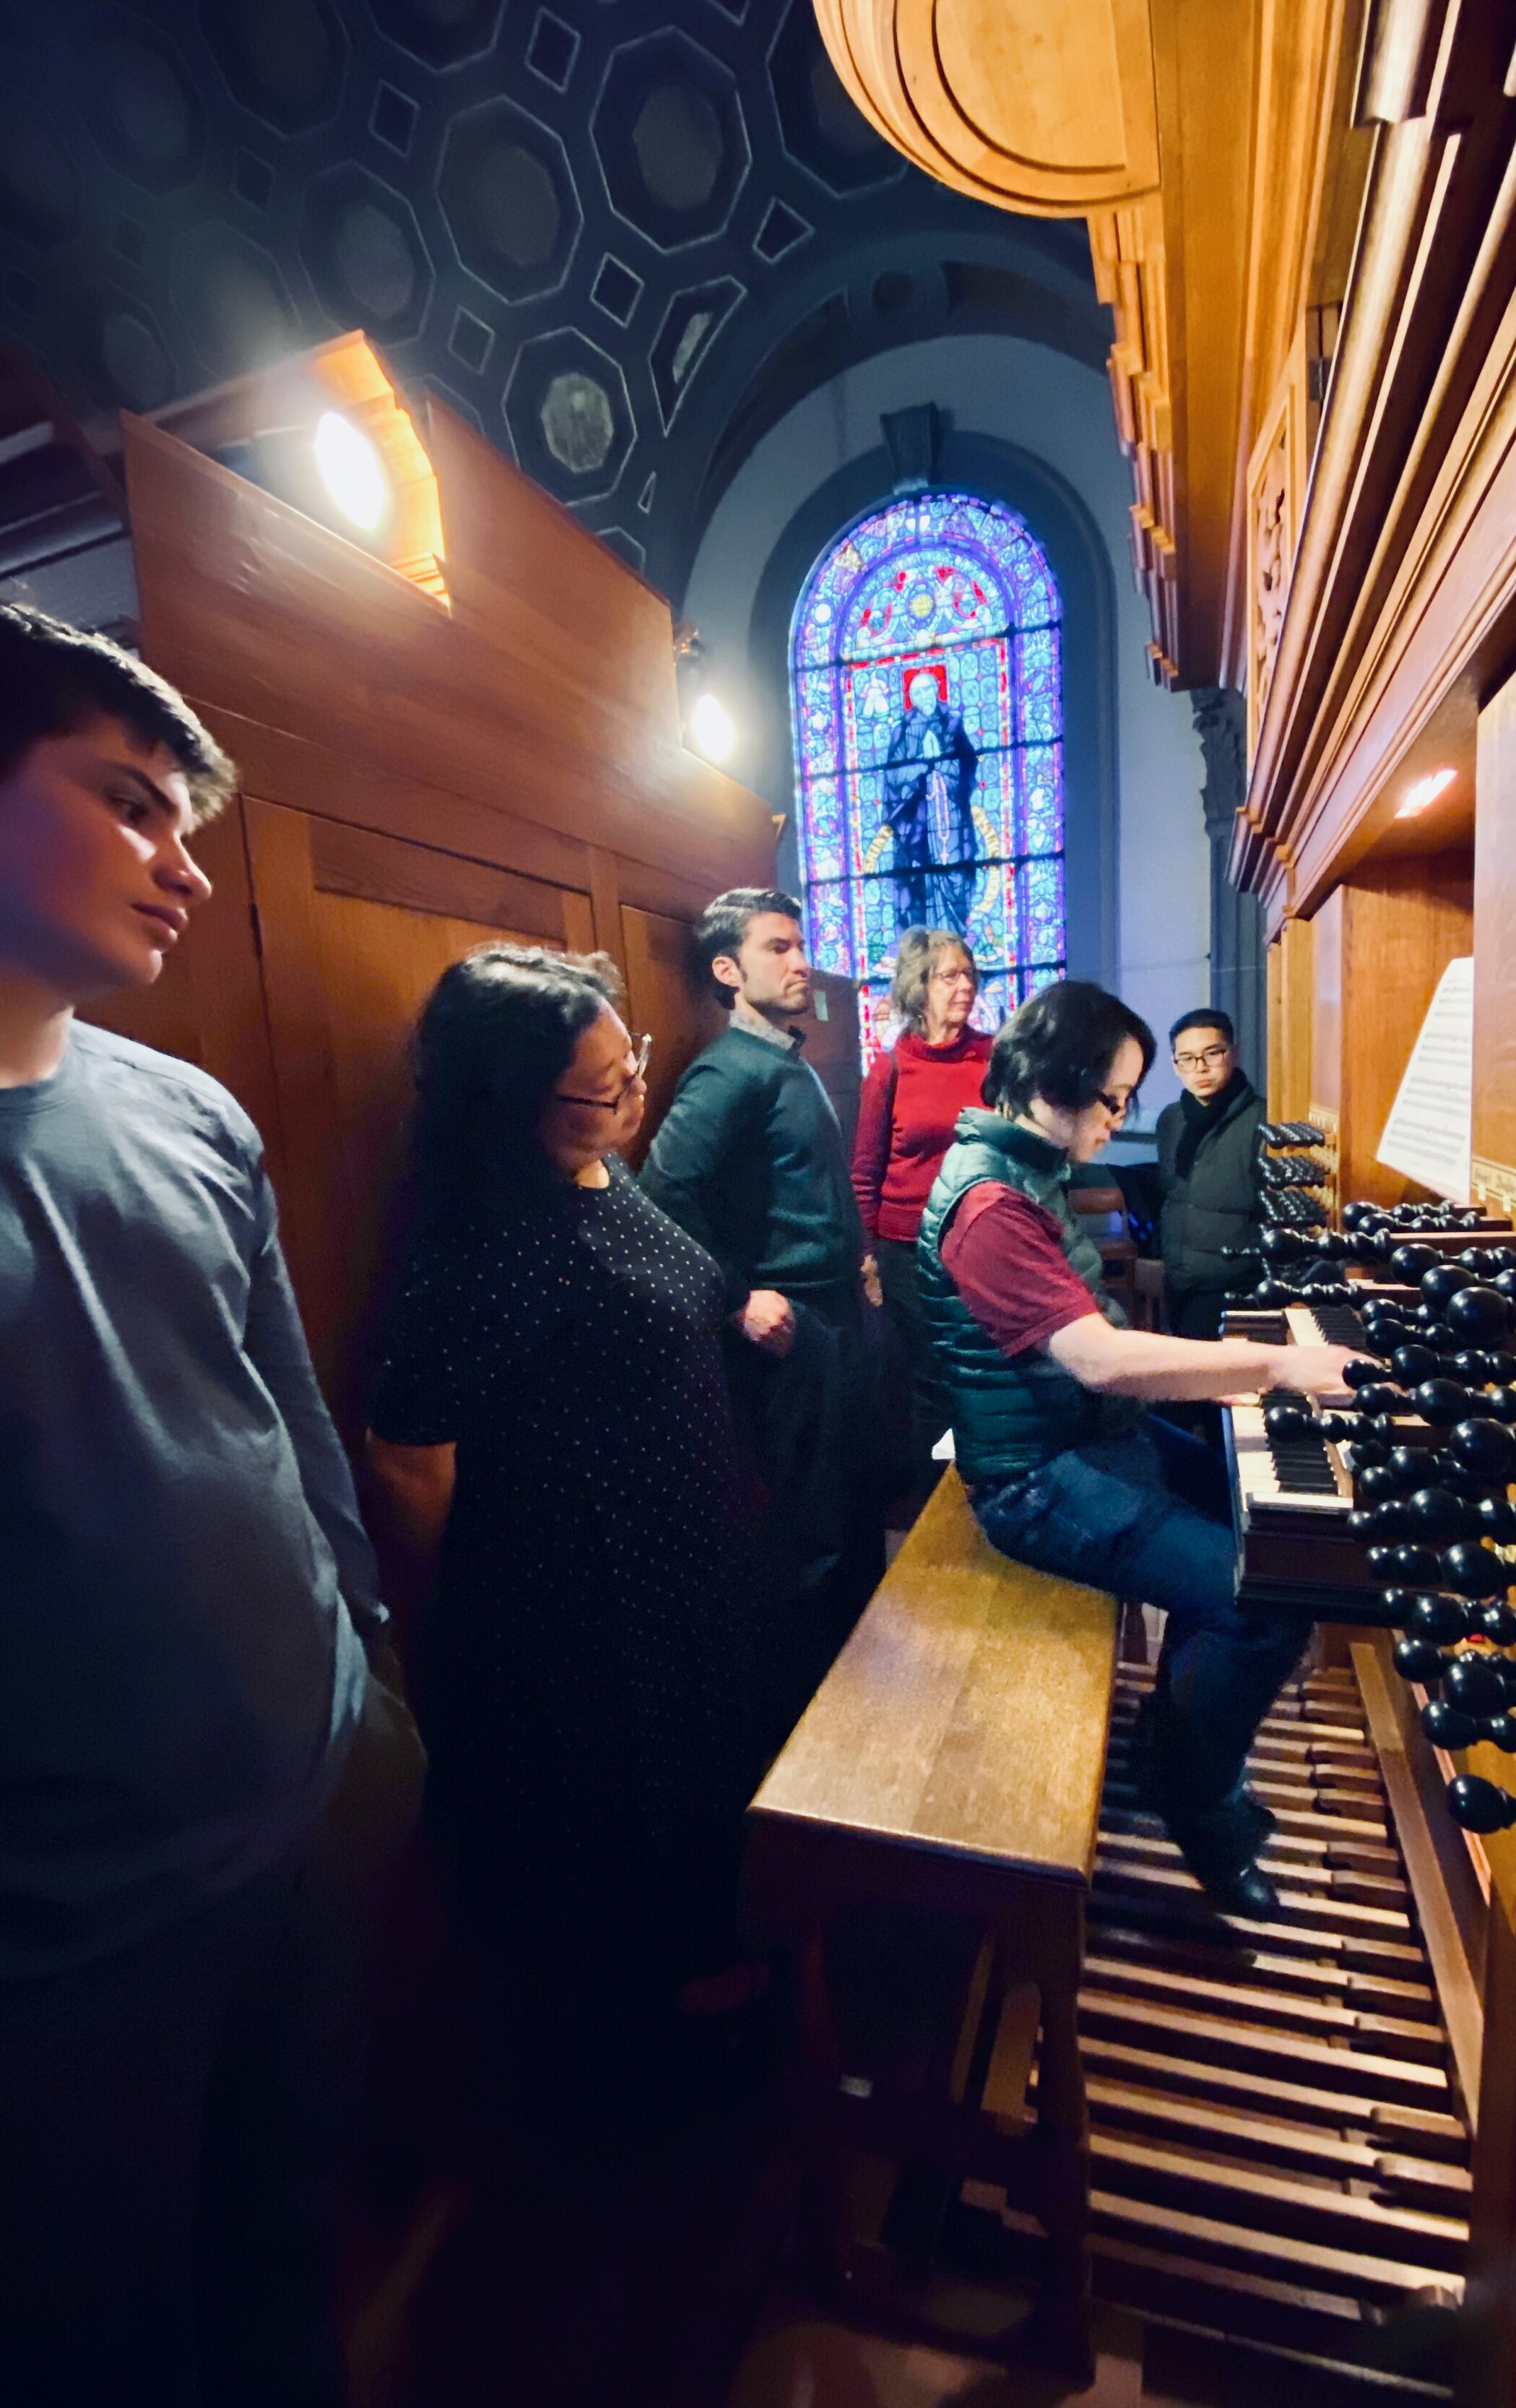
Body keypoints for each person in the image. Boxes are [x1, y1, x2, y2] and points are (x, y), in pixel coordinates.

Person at [0, 603, 409, 2407]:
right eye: (127, 803)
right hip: (76, 1937)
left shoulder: (185, 1108)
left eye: (190, 819)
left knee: (283, 2270)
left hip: (307, 1803)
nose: (183, 865)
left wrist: (369, 1684)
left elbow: (291, 1429)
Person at [366, 946, 768, 2113]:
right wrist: (464, 1589)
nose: (634, 1094)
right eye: (603, 1086)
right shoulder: (487, 1242)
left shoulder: (600, 1170)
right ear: (510, 1097)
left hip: (680, 1560)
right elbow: (407, 1453)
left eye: (628, 1063)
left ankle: (714, 1988)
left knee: (704, 1800)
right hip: (588, 1599)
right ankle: (649, 2078)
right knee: (624, 1838)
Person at [916, 980, 1353, 1910]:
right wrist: (1268, 1368)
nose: (1121, 1118)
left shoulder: (1023, 1168)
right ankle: (1201, 1806)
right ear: (1060, 1081)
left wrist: (1231, 1376)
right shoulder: (989, 1205)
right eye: (1115, 1097)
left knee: (1265, 1532)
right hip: (1032, 1480)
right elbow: (1100, 1361)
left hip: (1083, 1440)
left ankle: (1174, 1734)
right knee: (1263, 1605)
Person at [641, 888, 883, 1736]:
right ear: (725, 969)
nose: (799, 961)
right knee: (806, 1531)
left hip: (834, 1314)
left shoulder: (783, 1059)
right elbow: (662, 1196)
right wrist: (738, 1297)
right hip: (791, 1334)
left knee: (850, 1510)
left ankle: (858, 1702)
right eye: (776, 947)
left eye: (797, 945)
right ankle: (811, 1735)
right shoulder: (726, 1070)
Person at [852, 926, 992, 1504]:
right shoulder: (891, 1069)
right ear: (918, 987)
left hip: (980, 1241)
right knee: (931, 1380)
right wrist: (868, 1259)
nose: (964, 985)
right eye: (948, 975)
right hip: (907, 1249)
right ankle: (937, 1510)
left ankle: (990, 1491)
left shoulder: (995, 1057)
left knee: (981, 1370)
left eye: (969, 973)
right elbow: (865, 1170)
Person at [1154, 1007, 1264, 1336]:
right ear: (1176, 1066)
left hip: (1235, 1283)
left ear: (1233, 1052)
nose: (1199, 1068)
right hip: (1178, 1277)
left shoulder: (1265, 1119)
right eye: (1186, 1058)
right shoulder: (1171, 1119)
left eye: (1211, 1054)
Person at [880, 668, 981, 932]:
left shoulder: (952, 722)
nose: (924, 695)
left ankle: (955, 932)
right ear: (911, 697)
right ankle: (926, 938)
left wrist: (944, 768)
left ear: (937, 690)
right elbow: (893, 775)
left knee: (956, 869)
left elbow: (969, 765)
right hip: (918, 816)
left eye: (928, 689)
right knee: (920, 876)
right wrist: (921, 767)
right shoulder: (901, 731)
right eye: (917, 692)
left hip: (952, 810)